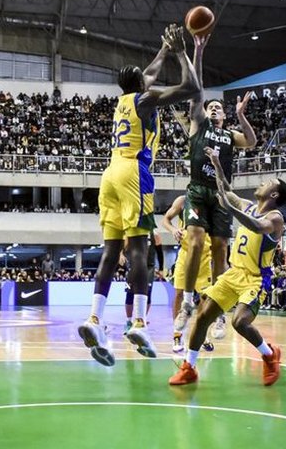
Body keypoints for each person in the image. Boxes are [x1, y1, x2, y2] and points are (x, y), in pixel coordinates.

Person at [77, 24, 200, 366]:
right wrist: (180, 52)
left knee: (110, 251)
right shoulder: (146, 99)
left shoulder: (123, 100)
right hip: (134, 171)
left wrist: (163, 50)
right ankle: (140, 323)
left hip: (110, 174)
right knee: (138, 252)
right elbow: (192, 87)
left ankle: (94, 319)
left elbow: (148, 73)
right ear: (142, 85)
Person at [169, 147, 286, 386]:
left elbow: (257, 226)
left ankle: (269, 355)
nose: (262, 183)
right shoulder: (247, 205)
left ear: (274, 194)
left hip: (255, 278)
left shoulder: (275, 218)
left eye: (268, 183)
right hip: (233, 273)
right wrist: (216, 163)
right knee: (203, 315)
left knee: (239, 322)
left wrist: (229, 207)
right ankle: (189, 367)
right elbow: (225, 189)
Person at [176, 32, 258, 333]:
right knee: (196, 241)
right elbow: (196, 88)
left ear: (224, 115)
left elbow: (251, 141)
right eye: (210, 106)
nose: (213, 108)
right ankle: (187, 302)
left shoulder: (230, 136)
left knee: (221, 248)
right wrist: (198, 50)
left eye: (218, 108)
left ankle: (218, 311)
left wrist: (241, 115)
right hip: (198, 190)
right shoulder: (198, 125)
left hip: (222, 195)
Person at [161, 195, 220, 353]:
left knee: (205, 298)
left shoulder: (213, 202)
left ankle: (200, 333)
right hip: (186, 254)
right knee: (179, 294)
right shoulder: (182, 201)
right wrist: (173, 229)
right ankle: (177, 334)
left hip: (205, 257)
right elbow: (165, 220)